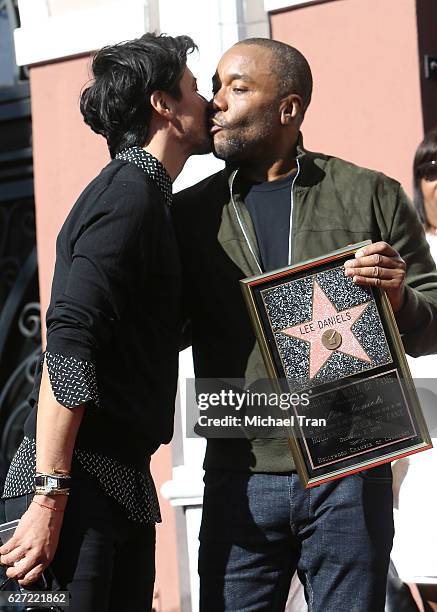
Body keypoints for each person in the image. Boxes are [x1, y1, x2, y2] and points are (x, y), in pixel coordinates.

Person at [172, 38, 437, 612]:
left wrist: (399, 298)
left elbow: (432, 319)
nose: (216, 102)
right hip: (238, 469)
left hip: (350, 471)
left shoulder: (369, 193)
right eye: (215, 86)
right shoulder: (188, 213)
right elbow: (165, 330)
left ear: (288, 109)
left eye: (237, 88)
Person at [0, 32, 209, 611]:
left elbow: (144, 334)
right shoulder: (127, 195)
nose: (210, 102)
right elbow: (69, 341)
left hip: (116, 489)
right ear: (163, 105)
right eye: (195, 89)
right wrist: (48, 497)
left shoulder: (152, 199)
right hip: (76, 494)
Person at [390, 127, 437, 612]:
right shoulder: (409, 258)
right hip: (424, 440)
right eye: (429, 170)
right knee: (425, 566)